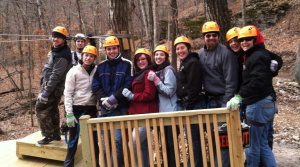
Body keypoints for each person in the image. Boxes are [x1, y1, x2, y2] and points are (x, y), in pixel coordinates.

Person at [227, 25, 277, 167]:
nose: (243, 42)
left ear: (254, 40)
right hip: (266, 103)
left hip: (257, 105)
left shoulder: (256, 56)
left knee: (252, 146)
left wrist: (239, 96)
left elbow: (257, 81)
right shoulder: (254, 54)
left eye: (248, 39)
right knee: (263, 144)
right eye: (241, 39)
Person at [199, 21, 239, 167]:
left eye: (214, 35)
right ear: (204, 37)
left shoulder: (226, 54)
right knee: (212, 137)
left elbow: (231, 81)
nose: (211, 38)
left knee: (224, 139)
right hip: (208, 101)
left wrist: (225, 104)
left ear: (218, 36)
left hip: (223, 99)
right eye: (208, 35)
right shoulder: (201, 54)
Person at [92, 35, 133, 167]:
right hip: (104, 109)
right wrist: (103, 99)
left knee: (117, 141)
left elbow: (128, 85)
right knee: (104, 144)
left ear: (118, 48)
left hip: (120, 108)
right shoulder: (101, 66)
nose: (111, 51)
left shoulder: (127, 64)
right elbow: (95, 85)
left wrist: (114, 98)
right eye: (108, 49)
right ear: (105, 50)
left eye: (113, 48)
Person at [122, 48, 159, 167]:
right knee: (143, 146)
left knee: (132, 144)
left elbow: (149, 94)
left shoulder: (149, 73)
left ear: (148, 60)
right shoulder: (139, 74)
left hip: (146, 114)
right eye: (138, 60)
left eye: (143, 59)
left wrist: (133, 96)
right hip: (137, 114)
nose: (140, 62)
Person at [63, 45, 99, 167]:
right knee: (73, 140)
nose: (88, 58)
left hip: (91, 108)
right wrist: (69, 113)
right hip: (76, 108)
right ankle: (68, 165)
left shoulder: (97, 70)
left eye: (91, 56)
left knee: (94, 140)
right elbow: (67, 94)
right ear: (82, 56)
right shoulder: (73, 71)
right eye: (86, 55)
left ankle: (95, 164)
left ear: (94, 58)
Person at [36, 26, 72, 145]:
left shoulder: (63, 54)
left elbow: (56, 75)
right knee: (52, 109)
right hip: (50, 85)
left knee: (41, 107)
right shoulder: (56, 50)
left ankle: (48, 135)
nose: (55, 39)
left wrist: (46, 92)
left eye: (59, 37)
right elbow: (49, 68)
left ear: (64, 39)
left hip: (53, 87)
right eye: (54, 36)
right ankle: (55, 134)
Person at [175, 36, 205, 167]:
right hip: (189, 104)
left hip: (194, 105)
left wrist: (188, 105)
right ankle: (194, 162)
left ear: (188, 48)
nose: (180, 51)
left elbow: (194, 87)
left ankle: (196, 163)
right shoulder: (185, 62)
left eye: (182, 48)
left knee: (194, 138)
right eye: (177, 48)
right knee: (193, 138)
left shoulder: (192, 62)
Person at [147, 44, 177, 167]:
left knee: (171, 143)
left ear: (166, 56)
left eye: (161, 54)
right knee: (163, 143)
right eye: (156, 54)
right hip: (160, 112)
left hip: (170, 111)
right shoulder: (157, 70)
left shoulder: (168, 70)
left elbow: (169, 91)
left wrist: (156, 80)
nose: (158, 57)